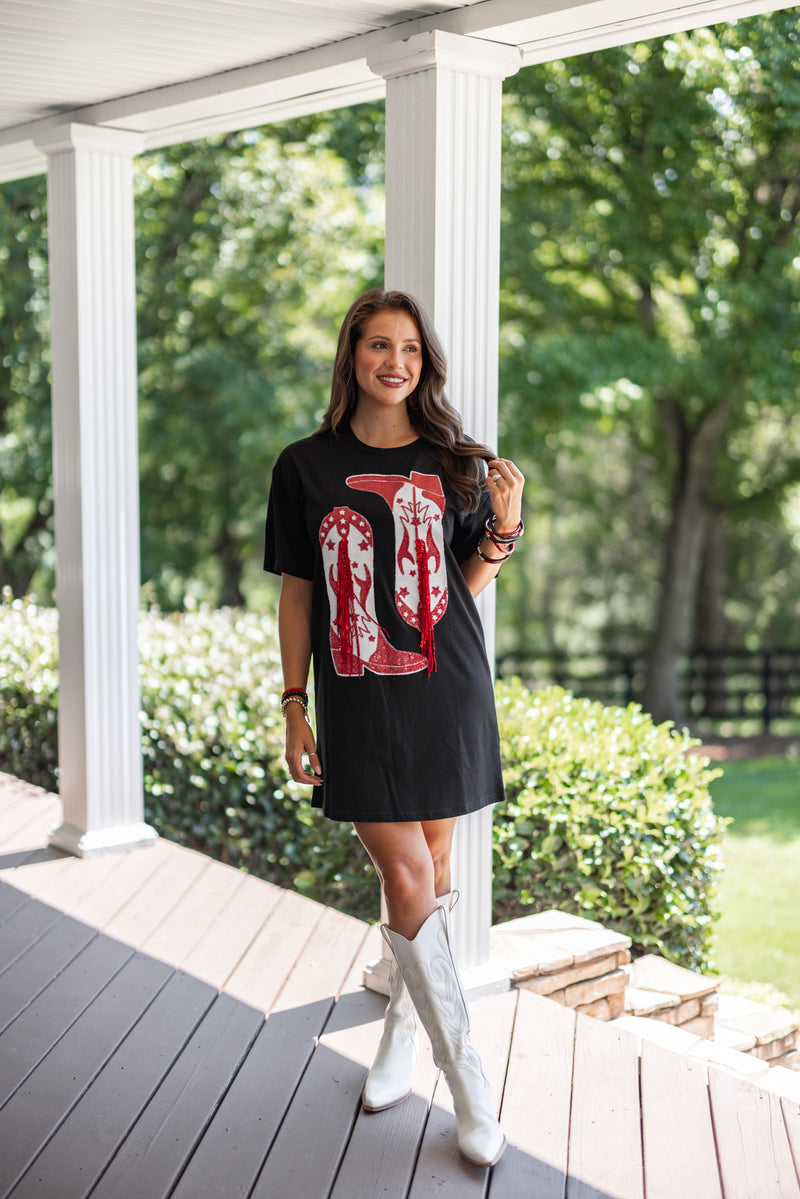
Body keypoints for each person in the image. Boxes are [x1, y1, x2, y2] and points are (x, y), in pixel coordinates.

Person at [264, 288, 524, 1169]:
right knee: (407, 870)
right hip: (358, 696)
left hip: (447, 687)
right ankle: (473, 1084)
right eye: (378, 345)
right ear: (351, 358)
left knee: (434, 875)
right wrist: (294, 702)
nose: (395, 362)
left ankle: (400, 1042)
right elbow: (299, 590)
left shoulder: (455, 463)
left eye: (410, 349)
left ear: (424, 363)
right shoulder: (304, 465)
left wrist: (505, 527)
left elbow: (461, 587)